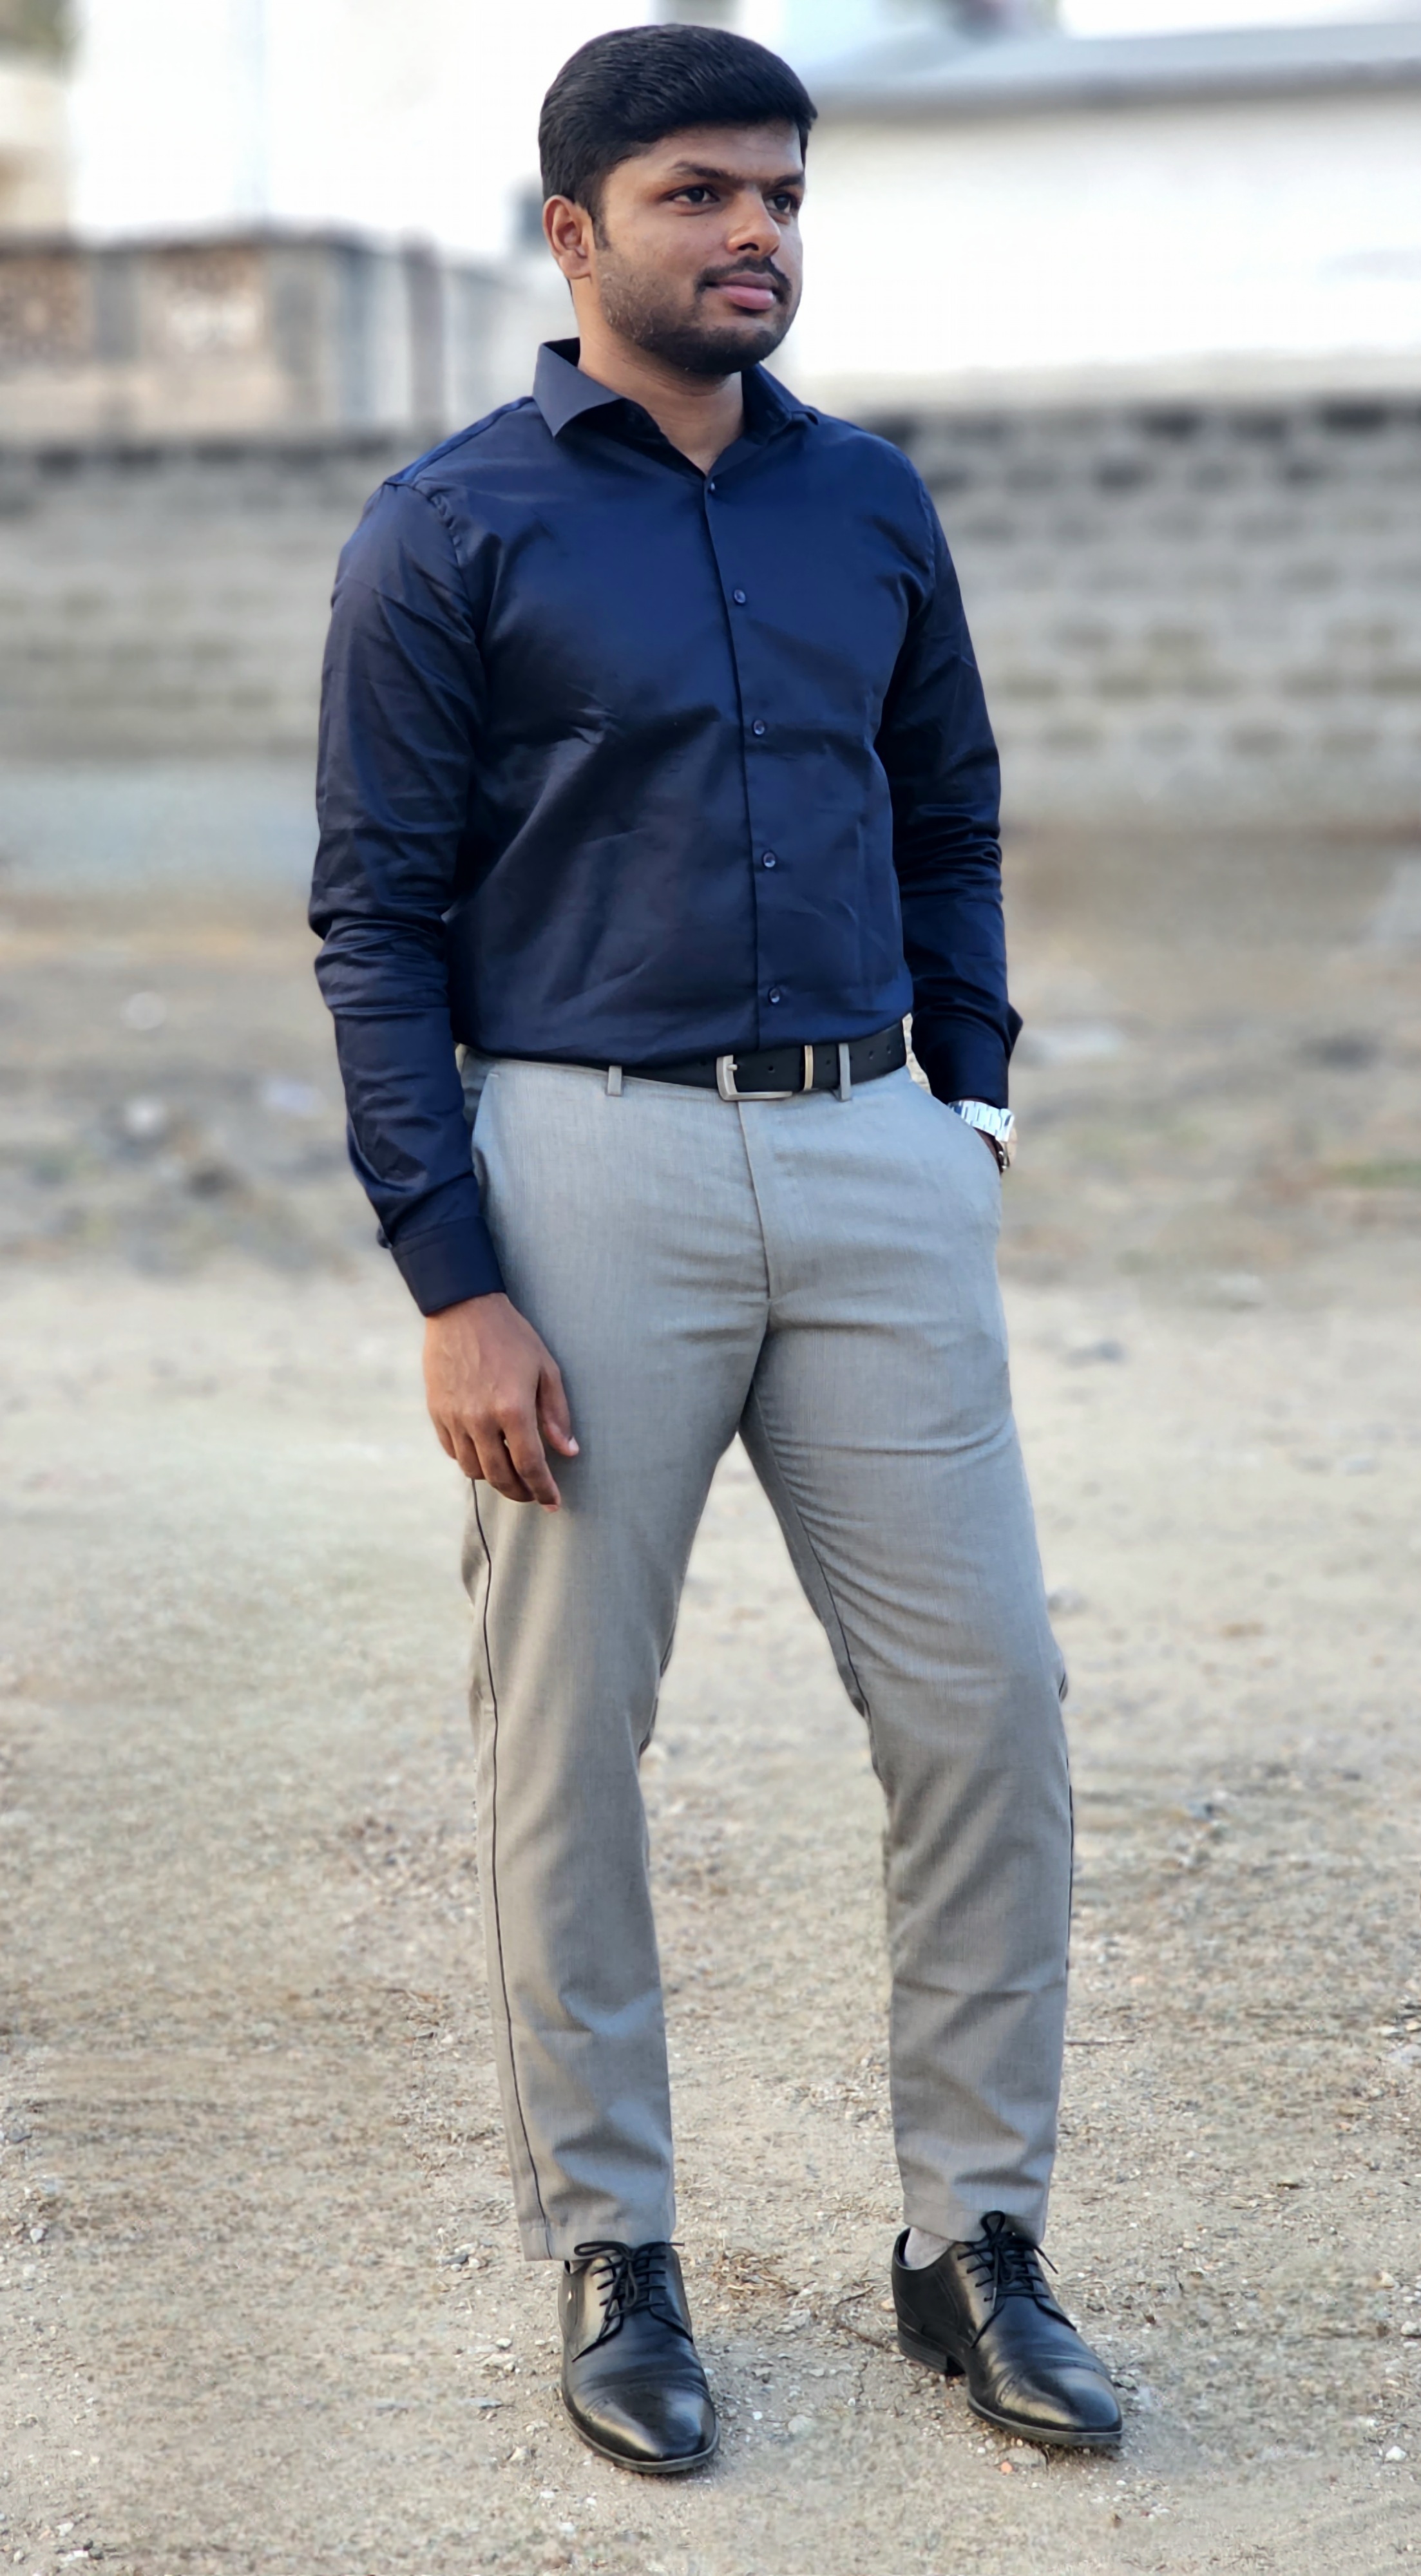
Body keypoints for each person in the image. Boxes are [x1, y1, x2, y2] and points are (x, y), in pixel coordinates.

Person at [310, 20, 1120, 2477]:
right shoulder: (447, 529)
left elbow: (949, 805)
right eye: (699, 193)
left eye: (780, 192)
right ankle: (616, 2249)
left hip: (877, 1155)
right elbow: (376, 918)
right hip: (585, 1173)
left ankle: (974, 2242)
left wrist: (969, 1101)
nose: (755, 230)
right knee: (568, 1742)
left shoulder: (867, 500)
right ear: (575, 233)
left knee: (988, 1712)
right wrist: (455, 1276)